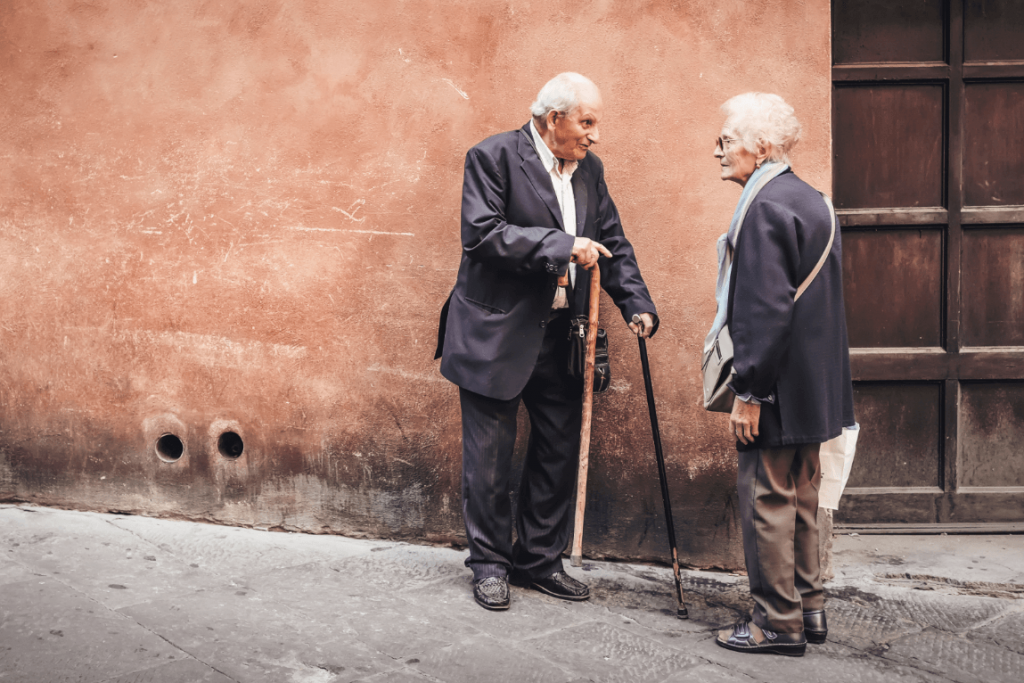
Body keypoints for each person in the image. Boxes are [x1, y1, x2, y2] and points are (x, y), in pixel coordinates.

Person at [435, 72, 659, 611]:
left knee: (557, 452)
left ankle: (538, 559)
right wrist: (562, 245)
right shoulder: (492, 157)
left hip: (562, 335)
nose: (595, 135)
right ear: (553, 118)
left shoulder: (590, 171)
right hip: (495, 333)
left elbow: (611, 242)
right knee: (488, 460)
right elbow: (484, 234)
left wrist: (637, 303)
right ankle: (489, 564)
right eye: (587, 122)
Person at [706, 93, 855, 656]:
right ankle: (809, 608)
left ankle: (776, 624)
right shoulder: (813, 199)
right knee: (802, 496)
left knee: (768, 499)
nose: (717, 150)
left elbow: (765, 310)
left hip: (776, 387)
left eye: (726, 140)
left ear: (760, 147)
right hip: (812, 387)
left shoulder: (764, 205)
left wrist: (750, 392)